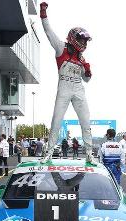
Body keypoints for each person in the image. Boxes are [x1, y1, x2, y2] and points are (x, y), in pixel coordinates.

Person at [39, 2, 96, 164]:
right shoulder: (61, 48)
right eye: (81, 40)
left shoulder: (81, 58)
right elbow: (48, 32)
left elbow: (87, 80)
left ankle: (90, 154)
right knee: (56, 121)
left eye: (85, 41)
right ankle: (48, 153)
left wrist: (88, 71)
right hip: (64, 88)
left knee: (86, 122)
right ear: (73, 38)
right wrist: (43, 14)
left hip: (79, 89)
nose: (84, 43)